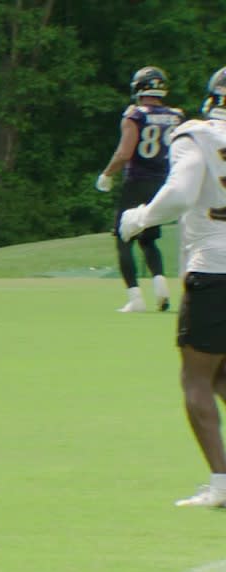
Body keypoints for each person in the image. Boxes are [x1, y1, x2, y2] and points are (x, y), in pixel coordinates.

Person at [120, 65, 226, 507]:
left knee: (196, 379)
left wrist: (141, 218)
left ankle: (221, 484)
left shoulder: (197, 133)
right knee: (222, 377)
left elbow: (182, 193)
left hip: (215, 268)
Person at [96, 66, 185, 313]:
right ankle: (160, 287)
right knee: (149, 239)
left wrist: (106, 174)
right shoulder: (176, 116)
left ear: (138, 87)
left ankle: (135, 298)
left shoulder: (135, 115)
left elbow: (125, 153)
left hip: (137, 182)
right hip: (163, 183)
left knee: (124, 238)